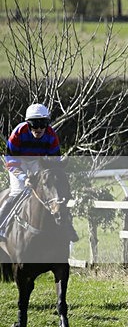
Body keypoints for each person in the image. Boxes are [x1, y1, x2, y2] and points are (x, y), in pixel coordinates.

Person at [0, 103, 79, 242]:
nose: (39, 129)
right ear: (28, 124)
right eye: (34, 124)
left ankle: (67, 227)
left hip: (38, 161)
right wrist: (24, 177)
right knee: (18, 191)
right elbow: (10, 161)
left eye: (43, 124)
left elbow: (55, 162)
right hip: (18, 162)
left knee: (52, 192)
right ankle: (2, 227)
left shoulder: (51, 136)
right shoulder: (17, 134)